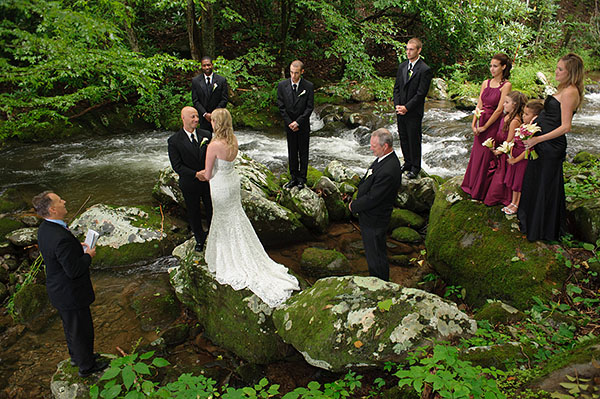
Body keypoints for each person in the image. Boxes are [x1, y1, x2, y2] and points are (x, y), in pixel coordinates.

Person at [200, 108, 300, 307]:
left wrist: (197, 174)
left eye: (213, 121)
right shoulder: (233, 140)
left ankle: (228, 257)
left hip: (219, 186)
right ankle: (241, 251)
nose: (210, 123)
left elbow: (209, 173)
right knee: (235, 217)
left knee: (221, 218)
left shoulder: (214, 145)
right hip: (233, 183)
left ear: (217, 124)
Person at [32, 191, 108, 378]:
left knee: (72, 327)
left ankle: (79, 357)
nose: (64, 201)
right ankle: (87, 367)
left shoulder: (45, 228)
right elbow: (74, 271)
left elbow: (59, 255)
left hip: (58, 289)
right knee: (81, 329)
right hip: (70, 292)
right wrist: (87, 256)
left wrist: (76, 249)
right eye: (60, 201)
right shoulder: (60, 237)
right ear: (52, 209)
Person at [518, 53, 584, 241]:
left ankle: (543, 229)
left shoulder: (571, 92)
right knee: (535, 181)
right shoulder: (563, 88)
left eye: (560, 69)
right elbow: (549, 114)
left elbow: (565, 126)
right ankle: (531, 221)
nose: (556, 71)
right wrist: (532, 126)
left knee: (545, 186)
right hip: (540, 141)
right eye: (557, 67)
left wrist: (538, 140)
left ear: (570, 73)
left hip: (551, 146)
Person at [349, 128, 402, 281]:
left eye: (374, 146)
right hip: (370, 216)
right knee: (372, 253)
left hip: (375, 219)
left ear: (385, 146)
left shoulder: (389, 169)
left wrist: (354, 206)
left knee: (376, 255)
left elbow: (374, 198)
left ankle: (382, 284)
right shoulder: (382, 158)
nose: (370, 148)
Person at [461, 53, 512, 200]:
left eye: (495, 66)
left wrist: (485, 127)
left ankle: (482, 190)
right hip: (481, 119)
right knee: (476, 154)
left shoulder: (506, 85)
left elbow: (499, 110)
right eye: (491, 66)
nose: (492, 69)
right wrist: (474, 123)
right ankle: (471, 185)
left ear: (503, 67)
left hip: (493, 123)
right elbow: (479, 104)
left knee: (486, 154)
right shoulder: (486, 82)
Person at [168, 106, 213, 252]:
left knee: (211, 208)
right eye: (193, 117)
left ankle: (214, 236)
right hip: (189, 182)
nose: (196, 119)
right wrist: (195, 174)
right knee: (193, 212)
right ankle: (199, 239)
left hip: (208, 181)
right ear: (183, 118)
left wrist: (208, 172)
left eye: (197, 117)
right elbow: (177, 166)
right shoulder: (174, 141)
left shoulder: (207, 134)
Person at [393, 37, 433, 180]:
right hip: (400, 110)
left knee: (413, 139)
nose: (408, 52)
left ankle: (416, 166)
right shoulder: (402, 66)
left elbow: (421, 94)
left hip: (413, 111)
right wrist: (397, 105)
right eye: (407, 49)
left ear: (419, 50)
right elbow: (397, 88)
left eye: (411, 49)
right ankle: (407, 163)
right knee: (403, 137)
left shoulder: (424, 69)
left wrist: (407, 108)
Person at [484, 90, 526, 208]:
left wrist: (499, 151)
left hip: (506, 151)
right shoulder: (506, 116)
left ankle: (505, 199)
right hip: (500, 146)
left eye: (507, 102)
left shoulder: (514, 121)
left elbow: (510, 140)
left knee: (502, 176)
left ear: (515, 105)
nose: (503, 104)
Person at [277, 60, 315, 189]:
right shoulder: (282, 86)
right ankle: (293, 177)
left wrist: (298, 122)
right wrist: (290, 123)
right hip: (289, 125)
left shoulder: (308, 86)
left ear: (302, 72)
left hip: (303, 125)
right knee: (292, 151)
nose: (293, 76)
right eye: (291, 73)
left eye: (296, 73)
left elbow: (309, 108)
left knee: (303, 152)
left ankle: (302, 179)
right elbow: (281, 107)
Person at [504, 100, 544, 214]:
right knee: (513, 181)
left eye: (527, 114)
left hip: (522, 159)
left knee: (519, 182)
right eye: (524, 113)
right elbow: (514, 140)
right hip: (515, 155)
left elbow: (528, 148)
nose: (523, 116)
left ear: (535, 117)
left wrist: (516, 159)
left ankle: (517, 204)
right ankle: (512, 201)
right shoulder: (522, 125)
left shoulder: (532, 130)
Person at [191, 56, 229, 132]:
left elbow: (224, 99)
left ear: (212, 65)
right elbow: (195, 101)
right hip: (203, 118)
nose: (206, 67)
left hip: (218, 117)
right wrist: (205, 114)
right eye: (204, 65)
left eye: (208, 65)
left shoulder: (221, 80)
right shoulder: (196, 81)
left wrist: (214, 114)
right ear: (201, 66)